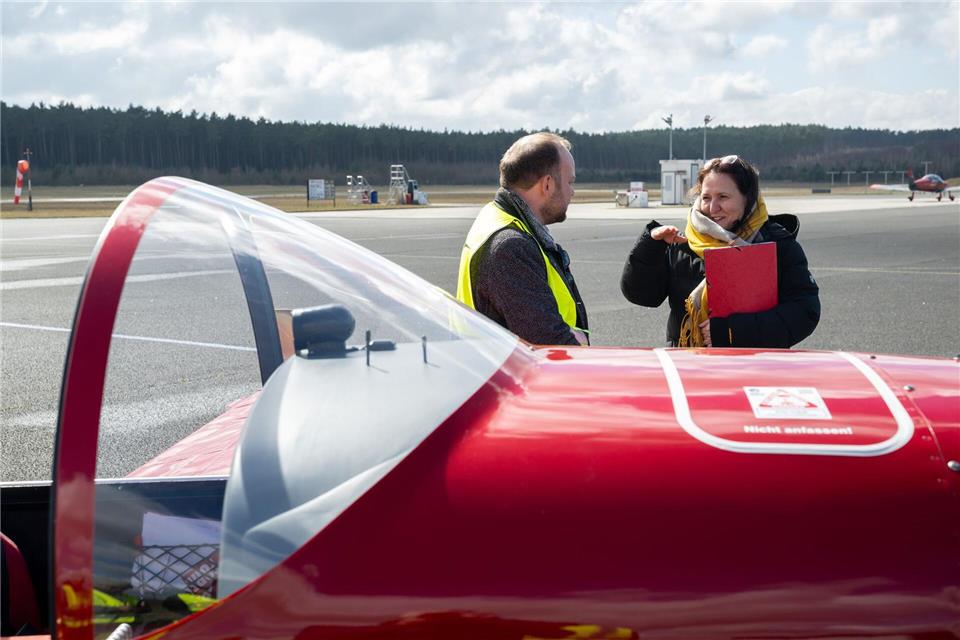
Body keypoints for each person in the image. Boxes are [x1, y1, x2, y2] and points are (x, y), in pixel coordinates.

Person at [620, 155, 819, 347]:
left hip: (754, 365)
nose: (713, 208)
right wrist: (651, 246)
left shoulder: (777, 244)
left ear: (747, 199)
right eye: (706, 197)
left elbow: (804, 312)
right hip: (690, 365)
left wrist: (732, 332)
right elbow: (642, 296)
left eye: (723, 197)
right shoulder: (685, 241)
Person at [456, 132, 589, 345]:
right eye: (569, 182)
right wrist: (578, 343)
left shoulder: (497, 218)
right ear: (547, 184)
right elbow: (549, 343)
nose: (572, 192)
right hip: (520, 374)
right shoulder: (510, 247)